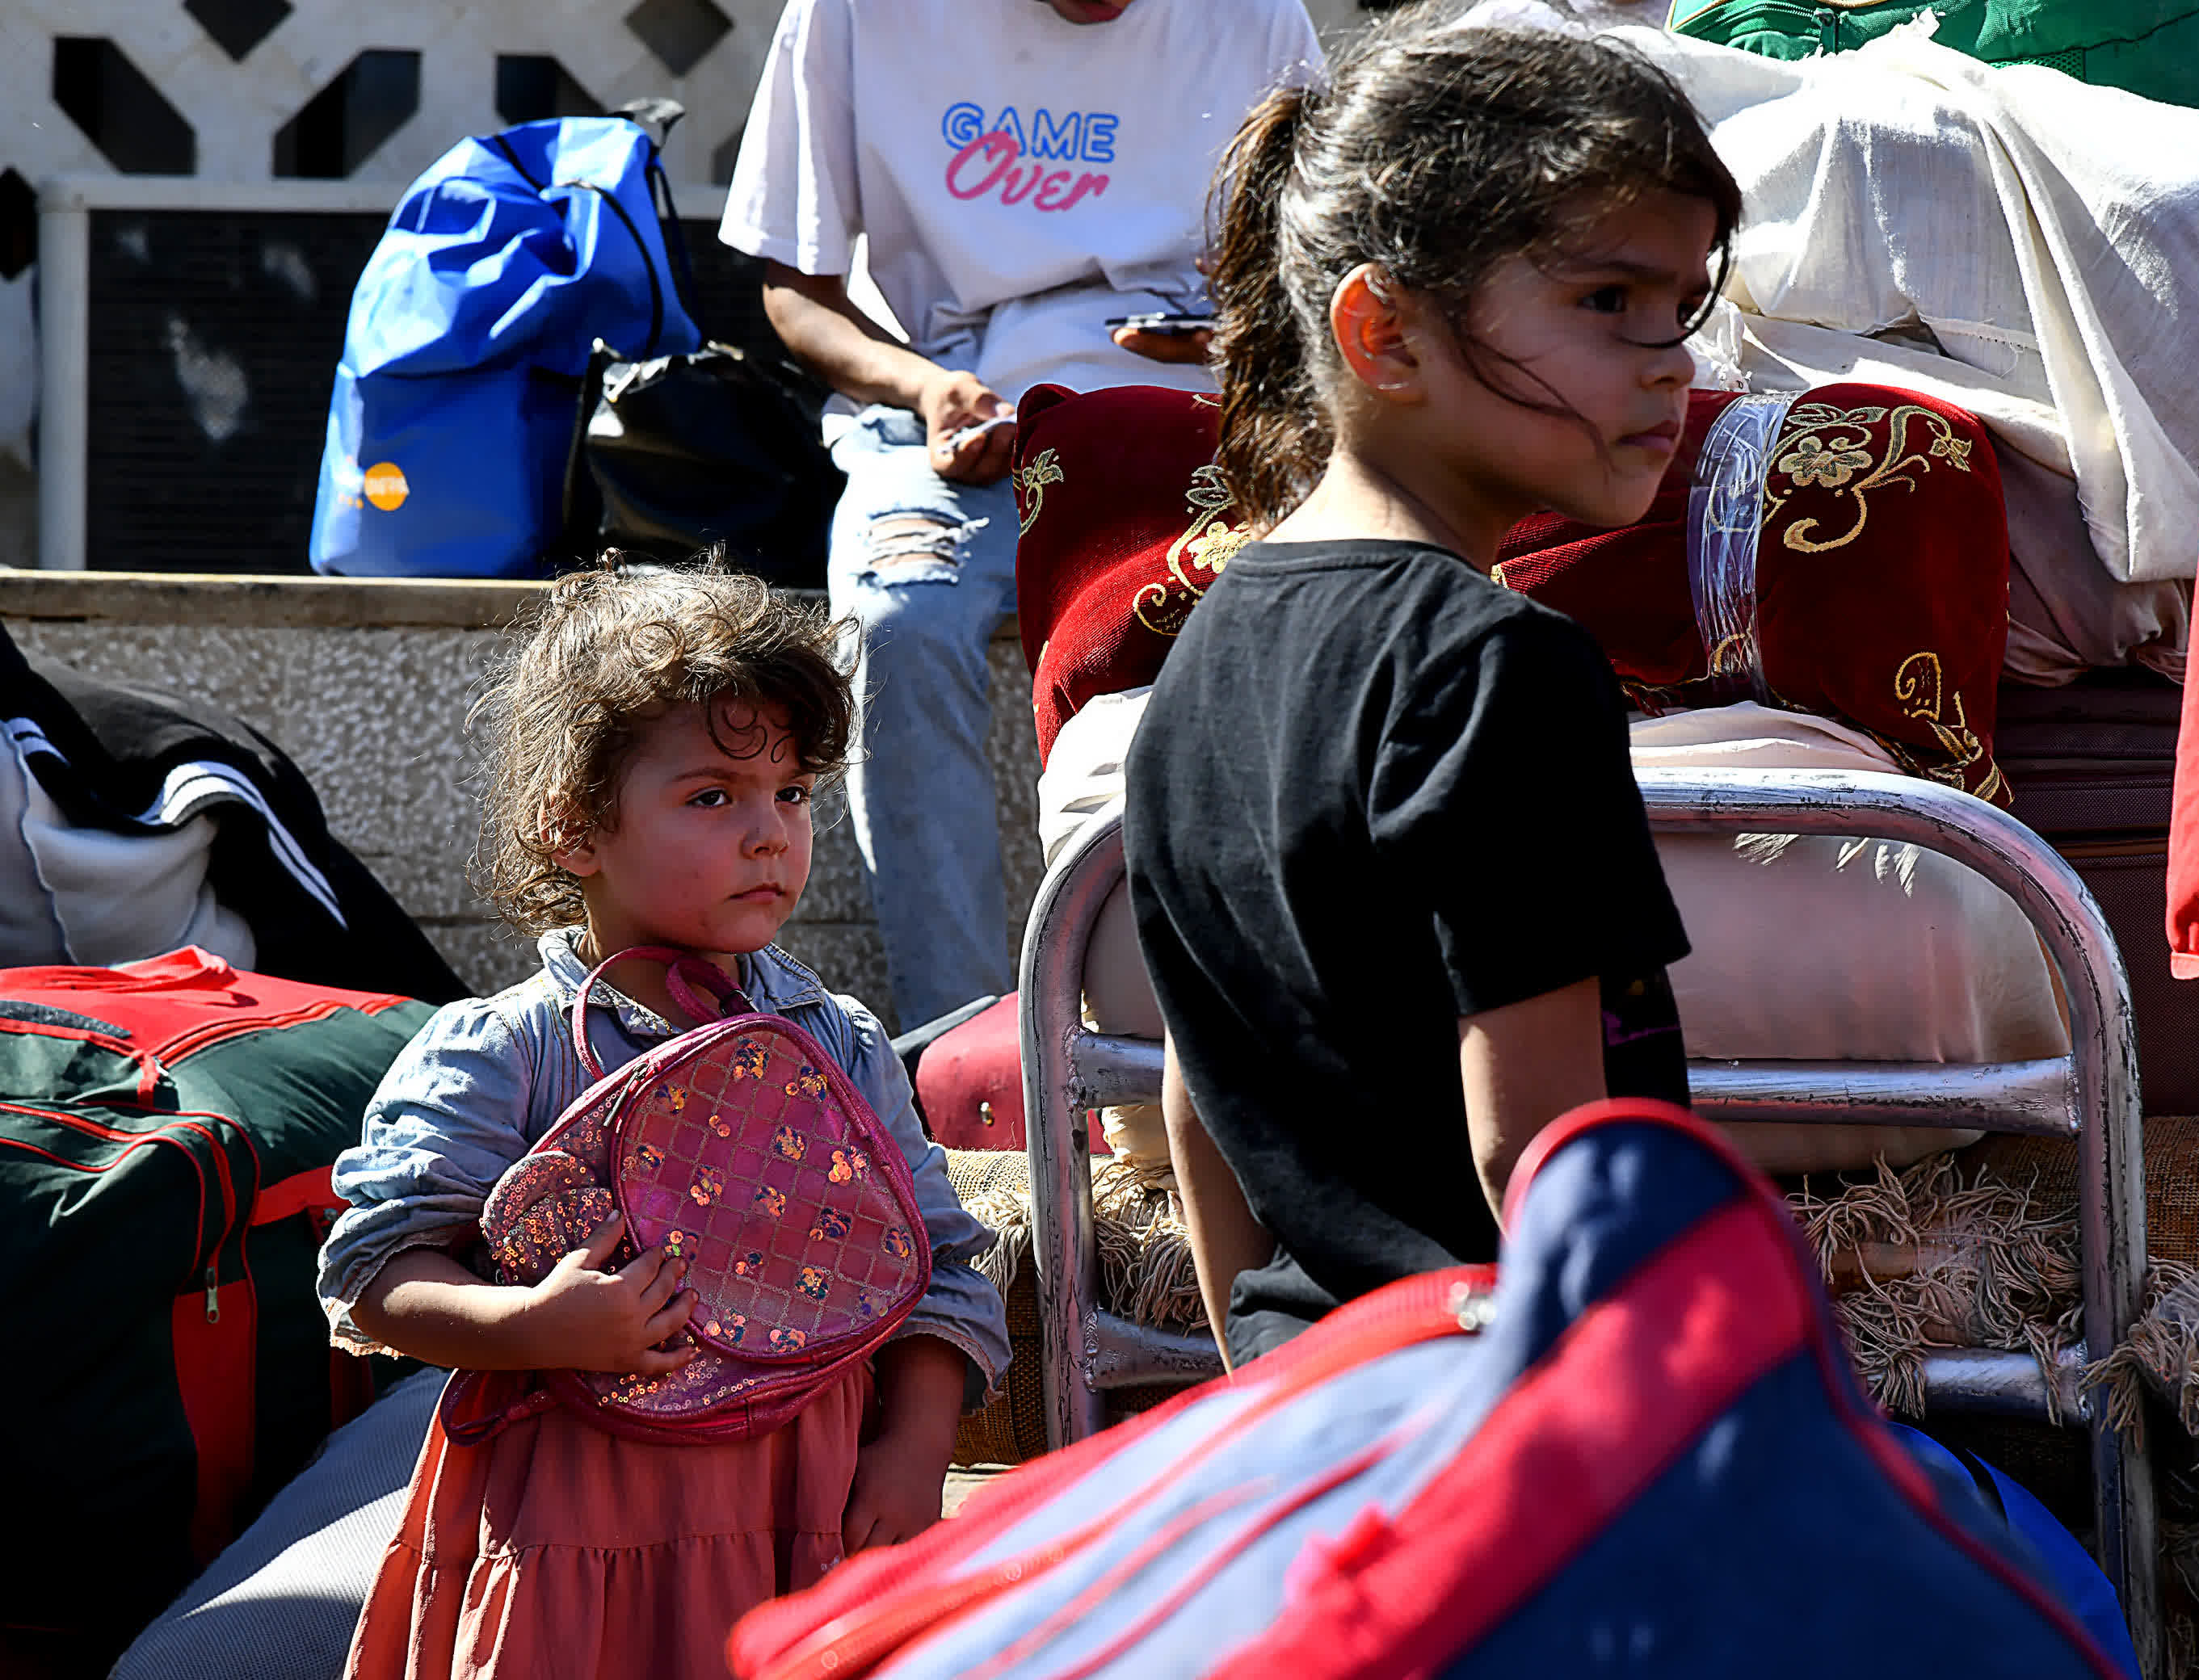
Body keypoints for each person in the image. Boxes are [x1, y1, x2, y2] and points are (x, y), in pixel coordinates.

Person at [1123, 19, 1738, 1367]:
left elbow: (1193, 1110)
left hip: (1322, 1416)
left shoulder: (1202, 654)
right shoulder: (1499, 668)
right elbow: (1539, 1153)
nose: (1670, 360)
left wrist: (1273, 1392)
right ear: (1385, 331)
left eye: (1680, 306)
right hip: (1516, 1415)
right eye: (1607, 300)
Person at [315, 561, 1009, 1680]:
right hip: (572, 1541)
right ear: (573, 829)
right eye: (712, 797)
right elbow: (373, 1271)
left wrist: (917, 1445)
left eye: (791, 793)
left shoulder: (841, 1048)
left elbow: (949, 1272)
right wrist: (527, 1327)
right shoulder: (508, 1053)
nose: (770, 834)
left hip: (808, 1520)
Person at [717, 0, 1323, 1031]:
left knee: (1289, 620)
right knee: (899, 624)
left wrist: (1234, 335)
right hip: (941, 420)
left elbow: (1313, 261)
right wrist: (922, 388)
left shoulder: (1253, 16)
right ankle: (966, 1057)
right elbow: (797, 289)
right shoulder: (855, 14)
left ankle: (1234, 1031)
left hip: (1190, 423)